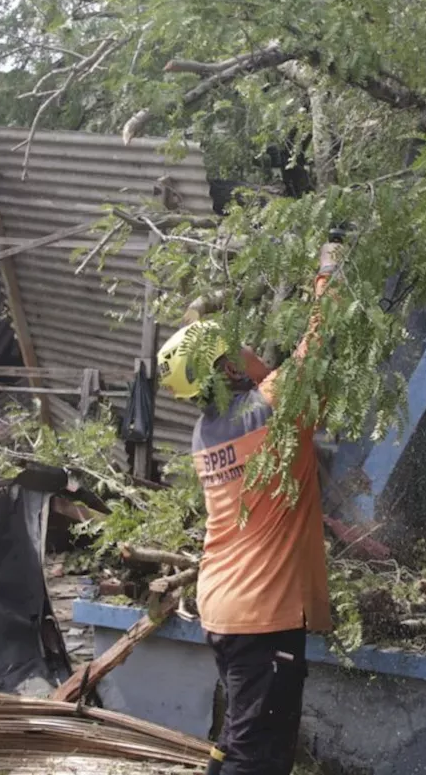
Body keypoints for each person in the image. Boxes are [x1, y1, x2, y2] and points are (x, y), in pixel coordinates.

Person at [156, 240, 339, 775]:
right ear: (228, 366)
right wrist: (327, 272)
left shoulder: (205, 433)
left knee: (238, 734)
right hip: (261, 615)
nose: (251, 350)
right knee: (260, 757)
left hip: (223, 605)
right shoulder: (274, 406)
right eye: (236, 347)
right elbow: (320, 344)